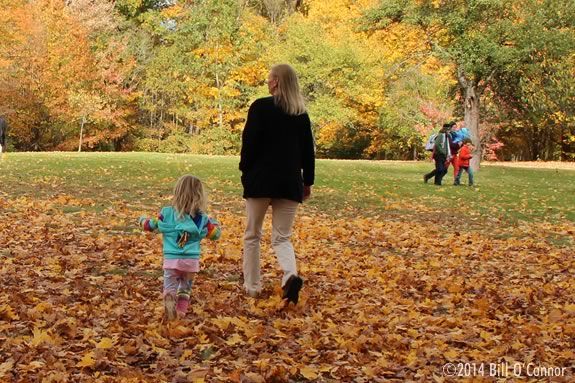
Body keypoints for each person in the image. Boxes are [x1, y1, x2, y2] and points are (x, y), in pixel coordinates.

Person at [239, 63, 315, 305]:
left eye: (270, 79)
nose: (267, 82)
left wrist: (245, 171)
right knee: (282, 237)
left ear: (277, 82)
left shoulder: (260, 107)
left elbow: (249, 143)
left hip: (260, 180)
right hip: (289, 182)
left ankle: (252, 286)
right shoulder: (300, 114)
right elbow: (308, 152)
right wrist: (308, 181)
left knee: (253, 235)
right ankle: (289, 276)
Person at [139, 175, 221, 321]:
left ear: (177, 193)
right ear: (200, 196)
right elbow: (215, 235)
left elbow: (151, 225)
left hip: (171, 260)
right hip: (190, 261)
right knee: (185, 288)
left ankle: (170, 305)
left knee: (170, 286)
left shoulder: (166, 213)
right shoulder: (203, 219)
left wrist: (142, 221)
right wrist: (214, 223)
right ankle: (181, 312)